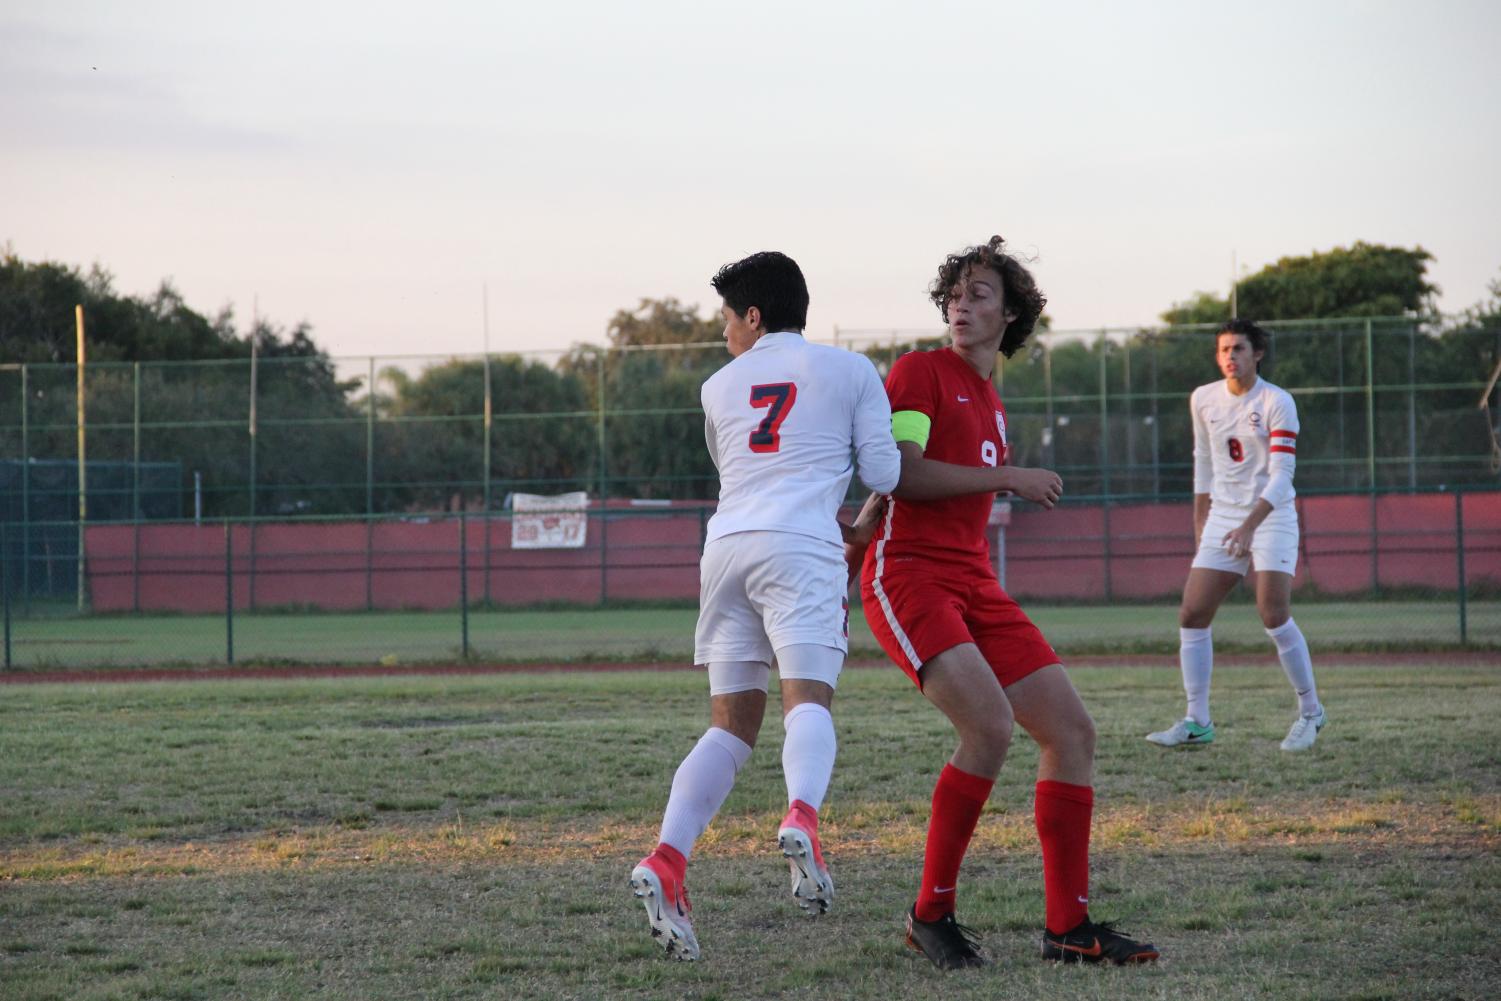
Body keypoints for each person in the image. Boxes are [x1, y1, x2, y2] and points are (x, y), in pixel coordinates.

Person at [849, 236, 1159, 969]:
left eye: (979, 292)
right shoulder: (919, 370)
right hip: (910, 576)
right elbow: (904, 471)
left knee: (1071, 732)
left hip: (974, 581)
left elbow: (910, 470)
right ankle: (929, 913)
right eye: (954, 292)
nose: (961, 302)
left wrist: (867, 515)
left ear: (1010, 313)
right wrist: (1007, 477)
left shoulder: (989, 397)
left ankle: (1068, 929)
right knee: (986, 727)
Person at [629, 251, 901, 961]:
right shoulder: (850, 369)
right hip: (801, 549)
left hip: (725, 550)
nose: (724, 334)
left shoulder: (717, 386)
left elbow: (752, 479)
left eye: (727, 318)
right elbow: (883, 471)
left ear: (754, 315)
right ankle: (803, 816)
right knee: (806, 698)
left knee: (729, 727)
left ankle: (666, 858)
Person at [1147, 318, 1326, 752]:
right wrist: (1201, 524)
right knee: (1192, 613)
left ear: (1257, 353)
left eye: (1239, 349)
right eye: (1224, 349)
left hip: (1271, 517)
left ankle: (1311, 712)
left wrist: (1250, 526)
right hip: (1223, 518)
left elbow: (1283, 476)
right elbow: (1203, 462)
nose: (1230, 356)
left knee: (1272, 613)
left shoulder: (1277, 401)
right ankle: (1197, 721)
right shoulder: (1203, 398)